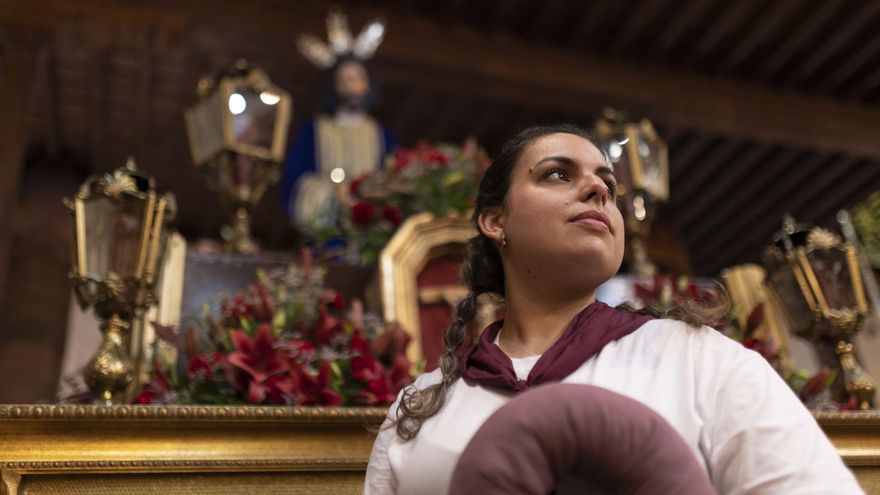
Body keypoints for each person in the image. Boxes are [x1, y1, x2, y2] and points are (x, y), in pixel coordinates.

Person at [363, 124, 864, 494]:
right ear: (496, 221)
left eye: (609, 184)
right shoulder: (420, 409)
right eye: (558, 174)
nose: (600, 189)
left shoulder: (697, 359)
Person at [281, 56, 396, 228]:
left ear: (368, 84)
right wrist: (333, 194)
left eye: (357, 79)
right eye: (344, 80)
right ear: (334, 86)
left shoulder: (382, 135)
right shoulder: (313, 131)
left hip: (369, 228)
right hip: (326, 226)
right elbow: (295, 179)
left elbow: (392, 176)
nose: (351, 87)